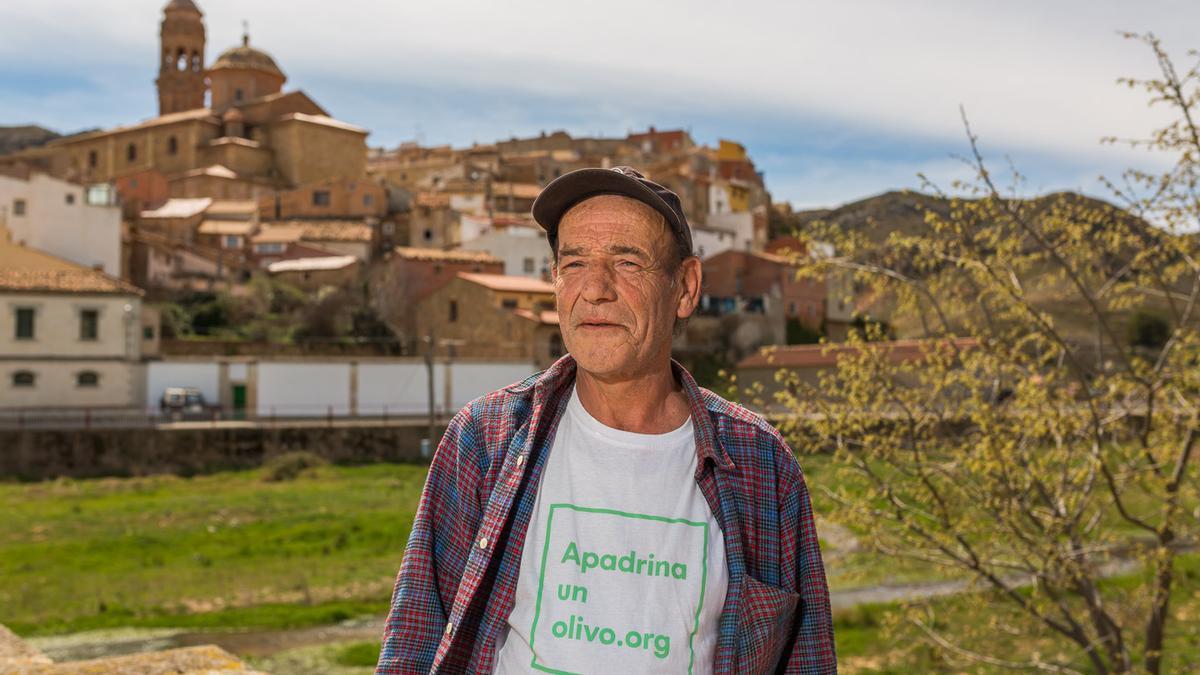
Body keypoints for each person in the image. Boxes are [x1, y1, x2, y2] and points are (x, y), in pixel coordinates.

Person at [377, 166, 835, 673]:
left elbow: (806, 659)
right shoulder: (486, 437)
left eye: (627, 262)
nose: (595, 289)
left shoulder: (760, 463)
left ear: (685, 287)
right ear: (555, 281)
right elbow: (415, 638)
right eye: (573, 263)